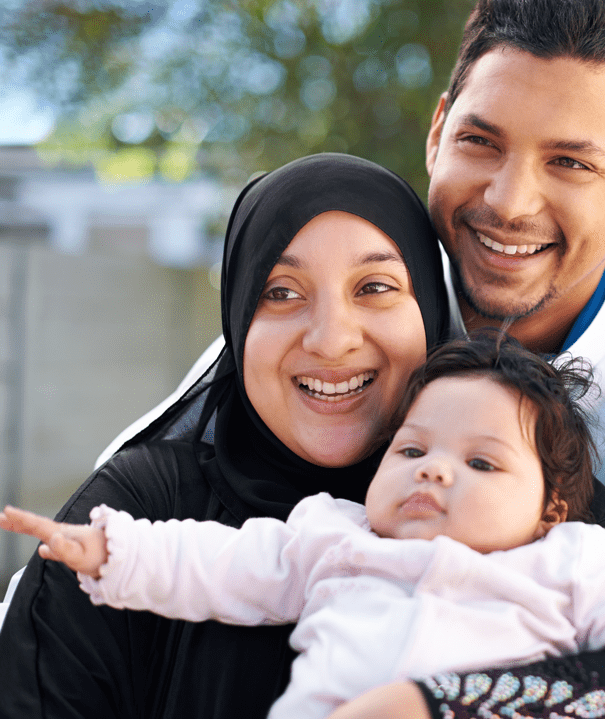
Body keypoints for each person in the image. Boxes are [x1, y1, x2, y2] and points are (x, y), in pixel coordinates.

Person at [100, 2, 605, 716]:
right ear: (438, 131)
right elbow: (155, 485)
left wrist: (437, 704)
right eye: (481, 141)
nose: (508, 201)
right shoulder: (331, 323)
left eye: (569, 161)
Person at [0, 335, 605, 719]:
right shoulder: (332, 536)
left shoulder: (573, 564)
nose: (433, 468)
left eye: (481, 462)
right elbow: (222, 562)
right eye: (413, 447)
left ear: (551, 507)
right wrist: (114, 548)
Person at [0, 153, 450, 718]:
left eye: (375, 286)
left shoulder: (512, 506)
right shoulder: (142, 515)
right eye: (281, 292)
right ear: (238, 321)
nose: (332, 340)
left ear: (430, 310)